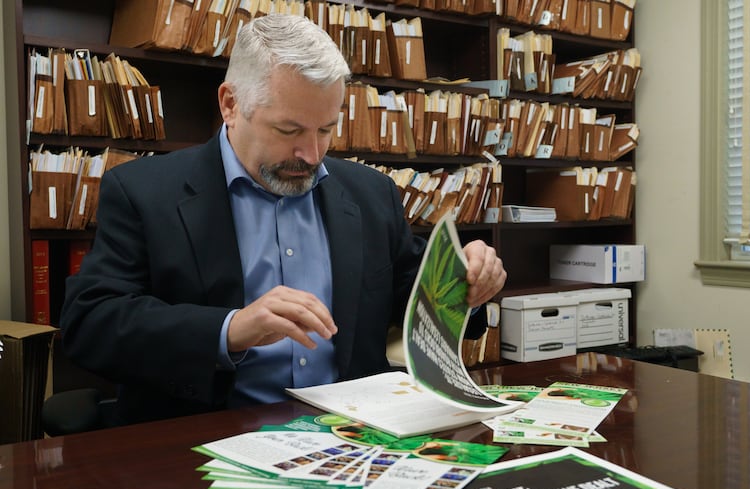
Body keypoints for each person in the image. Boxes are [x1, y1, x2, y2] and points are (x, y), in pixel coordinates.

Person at [60, 14, 507, 426]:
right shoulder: (143, 191)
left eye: (326, 129)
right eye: (289, 131)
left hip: (355, 438)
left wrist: (465, 280)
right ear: (230, 104)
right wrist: (230, 330)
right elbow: (91, 324)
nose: (311, 155)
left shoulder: (371, 194)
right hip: (208, 439)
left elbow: (412, 303)